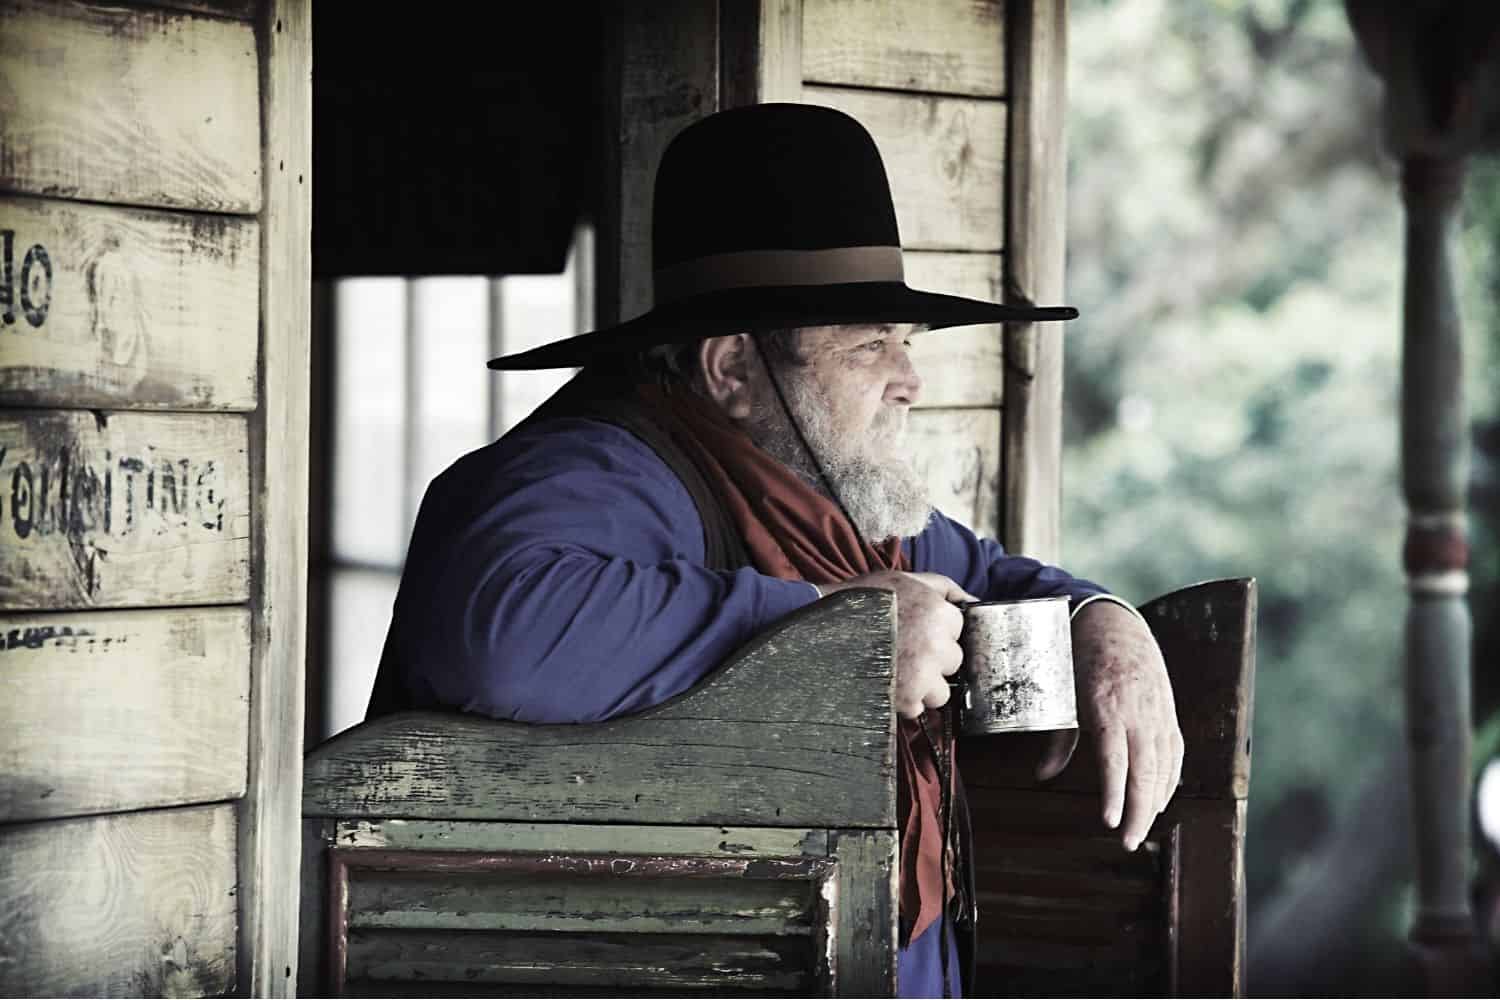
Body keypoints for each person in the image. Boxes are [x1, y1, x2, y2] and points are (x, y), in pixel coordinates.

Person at [369, 103, 1182, 998]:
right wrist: (849, 642)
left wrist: (1105, 623)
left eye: (904, 343)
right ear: (730, 370)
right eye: (871, 344)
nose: (909, 380)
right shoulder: (596, 470)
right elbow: (502, 639)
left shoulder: (843, 490)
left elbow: (988, 578)